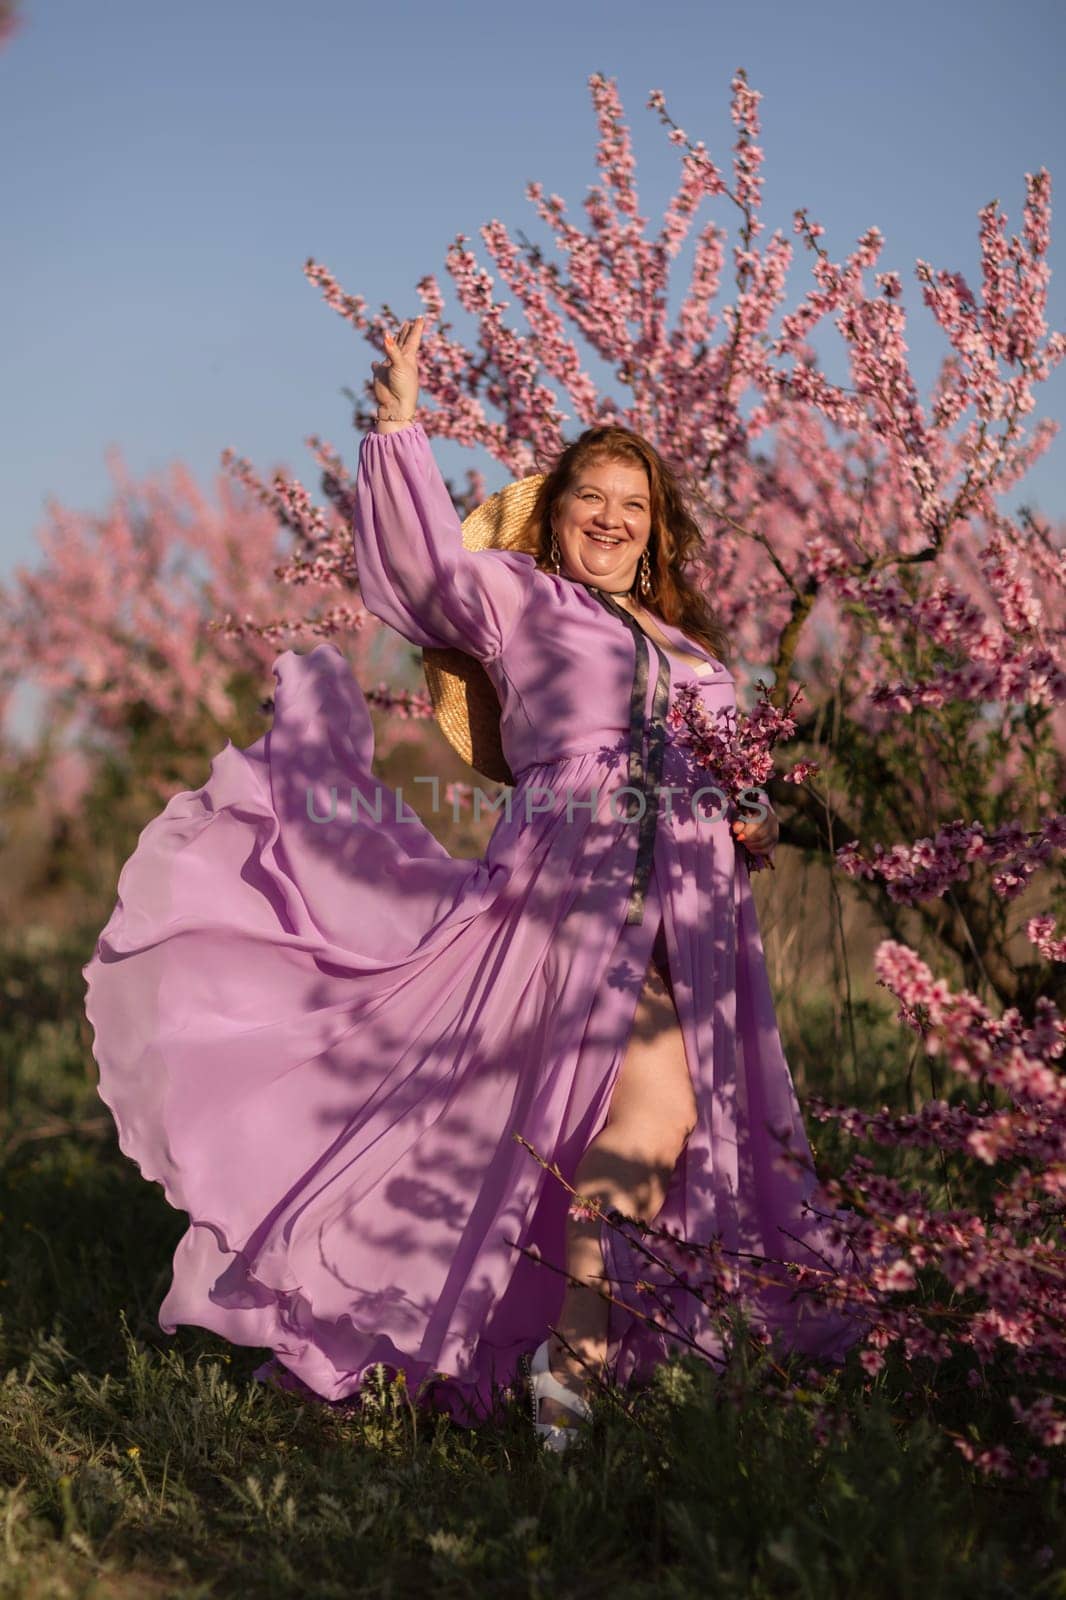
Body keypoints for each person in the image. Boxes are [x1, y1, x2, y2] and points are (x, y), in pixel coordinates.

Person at [83, 315, 864, 1453]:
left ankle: (572, 1357)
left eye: (632, 505)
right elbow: (417, 574)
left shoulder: (695, 651)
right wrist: (401, 421)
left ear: (657, 534)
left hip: (687, 918)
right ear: (554, 515)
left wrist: (743, 819)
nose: (609, 516)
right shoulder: (515, 598)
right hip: (558, 901)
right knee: (503, 1116)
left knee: (658, 1120)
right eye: (588, 496)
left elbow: (719, 766)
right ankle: (537, 1361)